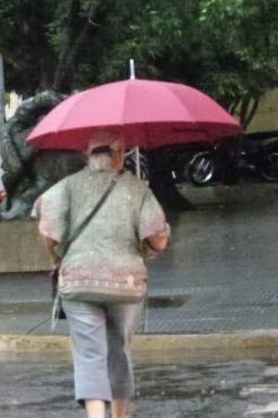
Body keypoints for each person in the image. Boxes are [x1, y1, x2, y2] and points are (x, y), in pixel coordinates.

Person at [37, 133, 170, 418]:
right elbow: (157, 240)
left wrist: (56, 256)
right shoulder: (138, 190)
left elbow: (48, 234)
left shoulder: (66, 187)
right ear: (119, 154)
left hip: (79, 283)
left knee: (89, 355)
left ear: (88, 155)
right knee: (119, 350)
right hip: (126, 284)